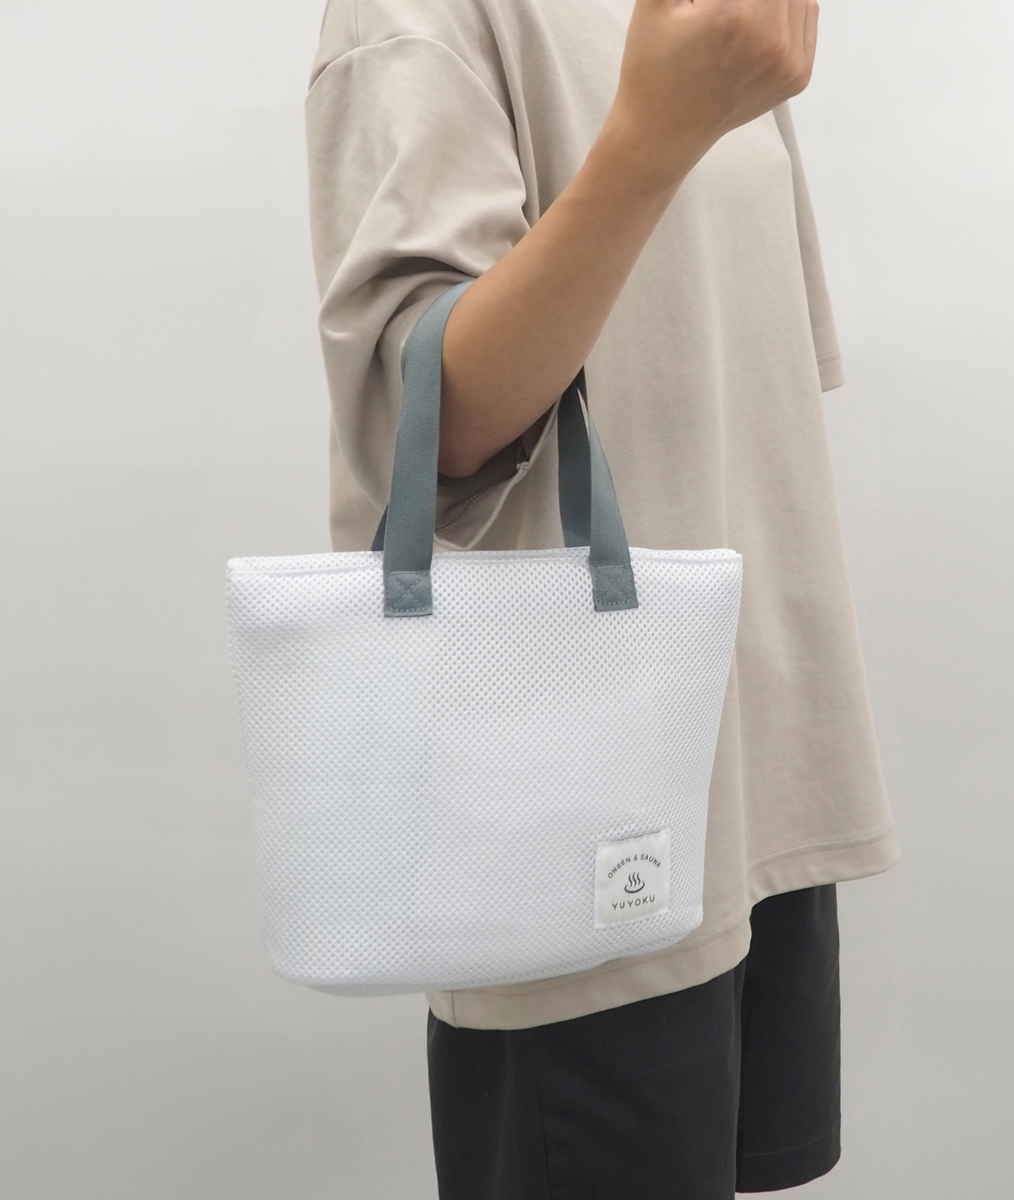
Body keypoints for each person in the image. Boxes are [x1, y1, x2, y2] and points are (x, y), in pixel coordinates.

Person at [304, 0, 900, 1194]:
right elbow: (433, 435)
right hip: (573, 805)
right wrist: (653, 134)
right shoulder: (424, 16)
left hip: (751, 781)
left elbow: (748, 380)